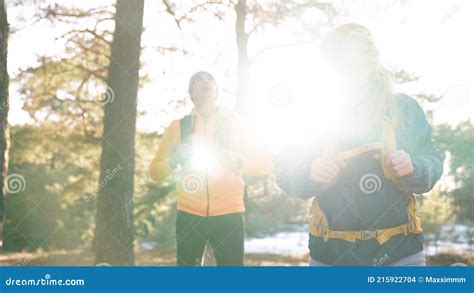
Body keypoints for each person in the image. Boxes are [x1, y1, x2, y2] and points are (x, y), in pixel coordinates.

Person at [276, 24, 445, 266]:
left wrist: (414, 166)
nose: (368, 50)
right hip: (330, 258)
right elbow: (284, 169)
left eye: (370, 45)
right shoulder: (313, 112)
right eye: (356, 45)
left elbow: (433, 160)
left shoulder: (403, 107)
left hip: (400, 257)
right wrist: (307, 173)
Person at [149, 71, 273, 266]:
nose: (205, 82)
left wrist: (238, 163)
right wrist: (173, 161)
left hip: (229, 214)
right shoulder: (178, 127)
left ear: (216, 91)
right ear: (192, 94)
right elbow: (155, 172)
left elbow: (267, 163)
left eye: (209, 80)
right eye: (199, 80)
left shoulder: (236, 125)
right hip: (189, 214)